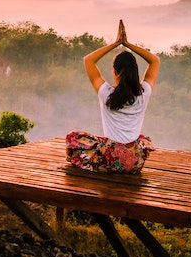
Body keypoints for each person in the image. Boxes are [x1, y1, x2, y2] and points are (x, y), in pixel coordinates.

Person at [66, 20, 160, 173]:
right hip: (134, 162)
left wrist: (116, 43)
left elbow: (88, 60)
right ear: (135, 73)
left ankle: (102, 166)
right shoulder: (144, 93)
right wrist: (128, 44)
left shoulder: (106, 93)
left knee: (72, 137)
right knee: (141, 139)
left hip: (110, 160)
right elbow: (154, 60)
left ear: (115, 72)